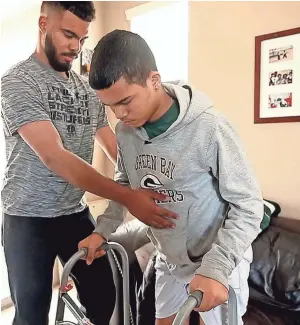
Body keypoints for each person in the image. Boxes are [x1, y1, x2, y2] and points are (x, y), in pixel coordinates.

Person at [0, 3, 177, 325]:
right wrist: (127, 197)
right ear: (43, 24)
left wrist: (142, 177)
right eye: (68, 35)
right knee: (31, 314)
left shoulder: (86, 87)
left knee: (104, 296)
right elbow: (53, 155)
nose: (75, 47)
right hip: (27, 218)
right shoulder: (17, 82)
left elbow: (108, 138)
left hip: (74, 213)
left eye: (81, 39)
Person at [79, 29, 264, 325]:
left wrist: (215, 267)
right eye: (110, 106)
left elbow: (249, 206)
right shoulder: (126, 133)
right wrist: (103, 230)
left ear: (154, 80)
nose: (119, 115)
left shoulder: (209, 128)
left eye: (125, 101)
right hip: (170, 258)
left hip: (216, 259)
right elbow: (125, 186)